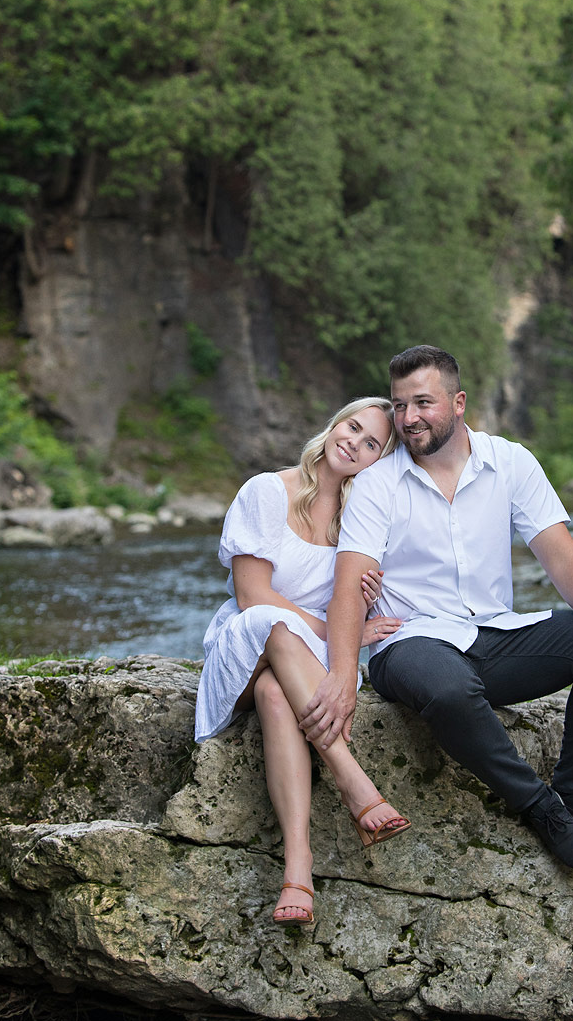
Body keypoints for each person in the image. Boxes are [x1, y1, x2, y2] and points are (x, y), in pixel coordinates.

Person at [299, 346, 573, 873]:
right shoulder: (376, 484)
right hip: (409, 646)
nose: (408, 418)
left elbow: (561, 556)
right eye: (399, 405)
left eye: (422, 403)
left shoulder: (510, 462)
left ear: (458, 403)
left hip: (494, 634)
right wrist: (344, 673)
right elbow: (348, 587)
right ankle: (540, 807)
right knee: (449, 686)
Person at [195, 397, 411, 926]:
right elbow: (252, 594)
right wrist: (342, 632)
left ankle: (298, 870)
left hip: (301, 664)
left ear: (377, 460)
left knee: (276, 694)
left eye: (371, 444)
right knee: (272, 623)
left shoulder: (360, 518)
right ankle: (350, 777)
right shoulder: (267, 491)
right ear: (335, 423)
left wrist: (366, 603)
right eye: (352, 427)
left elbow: (379, 595)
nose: (353, 443)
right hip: (248, 644)